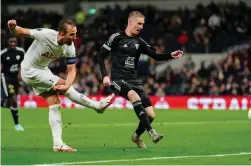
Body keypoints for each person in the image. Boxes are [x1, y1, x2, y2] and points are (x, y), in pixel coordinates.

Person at [7, 19, 115, 152]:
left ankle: (58, 144)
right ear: (62, 33)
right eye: (72, 34)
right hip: (29, 70)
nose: (75, 37)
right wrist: (12, 27)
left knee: (55, 103)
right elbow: (20, 31)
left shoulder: (69, 47)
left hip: (42, 70)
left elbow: (71, 70)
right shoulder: (45, 34)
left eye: (75, 34)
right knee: (62, 84)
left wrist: (67, 85)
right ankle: (96, 106)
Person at [97, 11, 183, 148]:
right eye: (139, 23)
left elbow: (155, 56)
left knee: (151, 115)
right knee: (133, 95)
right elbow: (101, 56)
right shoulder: (116, 38)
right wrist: (104, 76)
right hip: (118, 79)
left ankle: (136, 136)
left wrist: (171, 55)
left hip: (133, 80)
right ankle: (152, 133)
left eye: (143, 24)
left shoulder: (140, 42)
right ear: (130, 22)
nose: (142, 27)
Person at [1, 35, 25, 131]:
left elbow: (22, 64)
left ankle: (3, 103)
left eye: (14, 42)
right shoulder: (2, 53)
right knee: (13, 99)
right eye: (11, 42)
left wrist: (21, 74)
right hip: (6, 78)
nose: (13, 44)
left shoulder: (21, 51)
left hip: (16, 79)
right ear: (7, 42)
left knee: (12, 101)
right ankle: (17, 124)